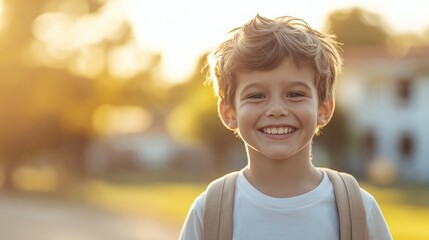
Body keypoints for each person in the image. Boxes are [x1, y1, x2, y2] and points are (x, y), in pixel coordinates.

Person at [179, 14, 392, 240]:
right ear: (229, 113)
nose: (277, 109)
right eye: (257, 95)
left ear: (324, 109)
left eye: (295, 94)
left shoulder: (357, 210)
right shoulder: (209, 212)